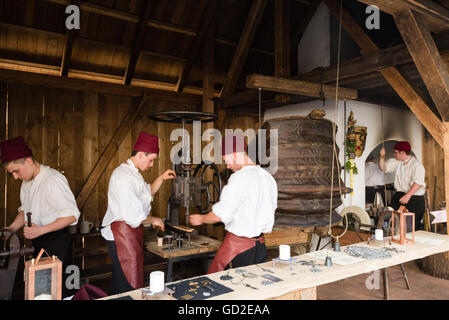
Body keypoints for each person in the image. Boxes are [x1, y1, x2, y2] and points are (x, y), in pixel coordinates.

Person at [1, 136, 80, 297]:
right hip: (38, 242)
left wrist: (41, 230)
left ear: (28, 161)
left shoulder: (53, 180)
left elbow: (71, 215)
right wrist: (11, 229)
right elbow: (25, 210)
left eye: (16, 171)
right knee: (41, 292)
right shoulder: (27, 182)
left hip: (57, 243)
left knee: (59, 292)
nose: (15, 177)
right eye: (12, 173)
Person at [189, 133, 278, 273]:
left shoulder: (240, 177)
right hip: (260, 247)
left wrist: (201, 218)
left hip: (239, 249)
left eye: (227, 160)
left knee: (220, 286)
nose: (228, 166)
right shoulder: (268, 178)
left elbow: (219, 215)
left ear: (235, 154)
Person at [101, 131, 175, 295]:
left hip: (126, 235)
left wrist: (162, 178)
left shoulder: (132, 174)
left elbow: (146, 192)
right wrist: (154, 219)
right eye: (151, 160)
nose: (152, 164)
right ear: (141, 154)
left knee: (120, 282)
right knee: (127, 286)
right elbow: (133, 216)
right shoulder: (124, 177)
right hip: (121, 236)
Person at [379, 141, 426, 230]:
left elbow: (418, 182)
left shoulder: (416, 165)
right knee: (396, 225)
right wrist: (382, 157)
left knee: (411, 227)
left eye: (396, 152)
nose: (394, 154)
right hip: (400, 196)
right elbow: (383, 168)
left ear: (402, 153)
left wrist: (408, 195)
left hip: (414, 199)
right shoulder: (397, 162)